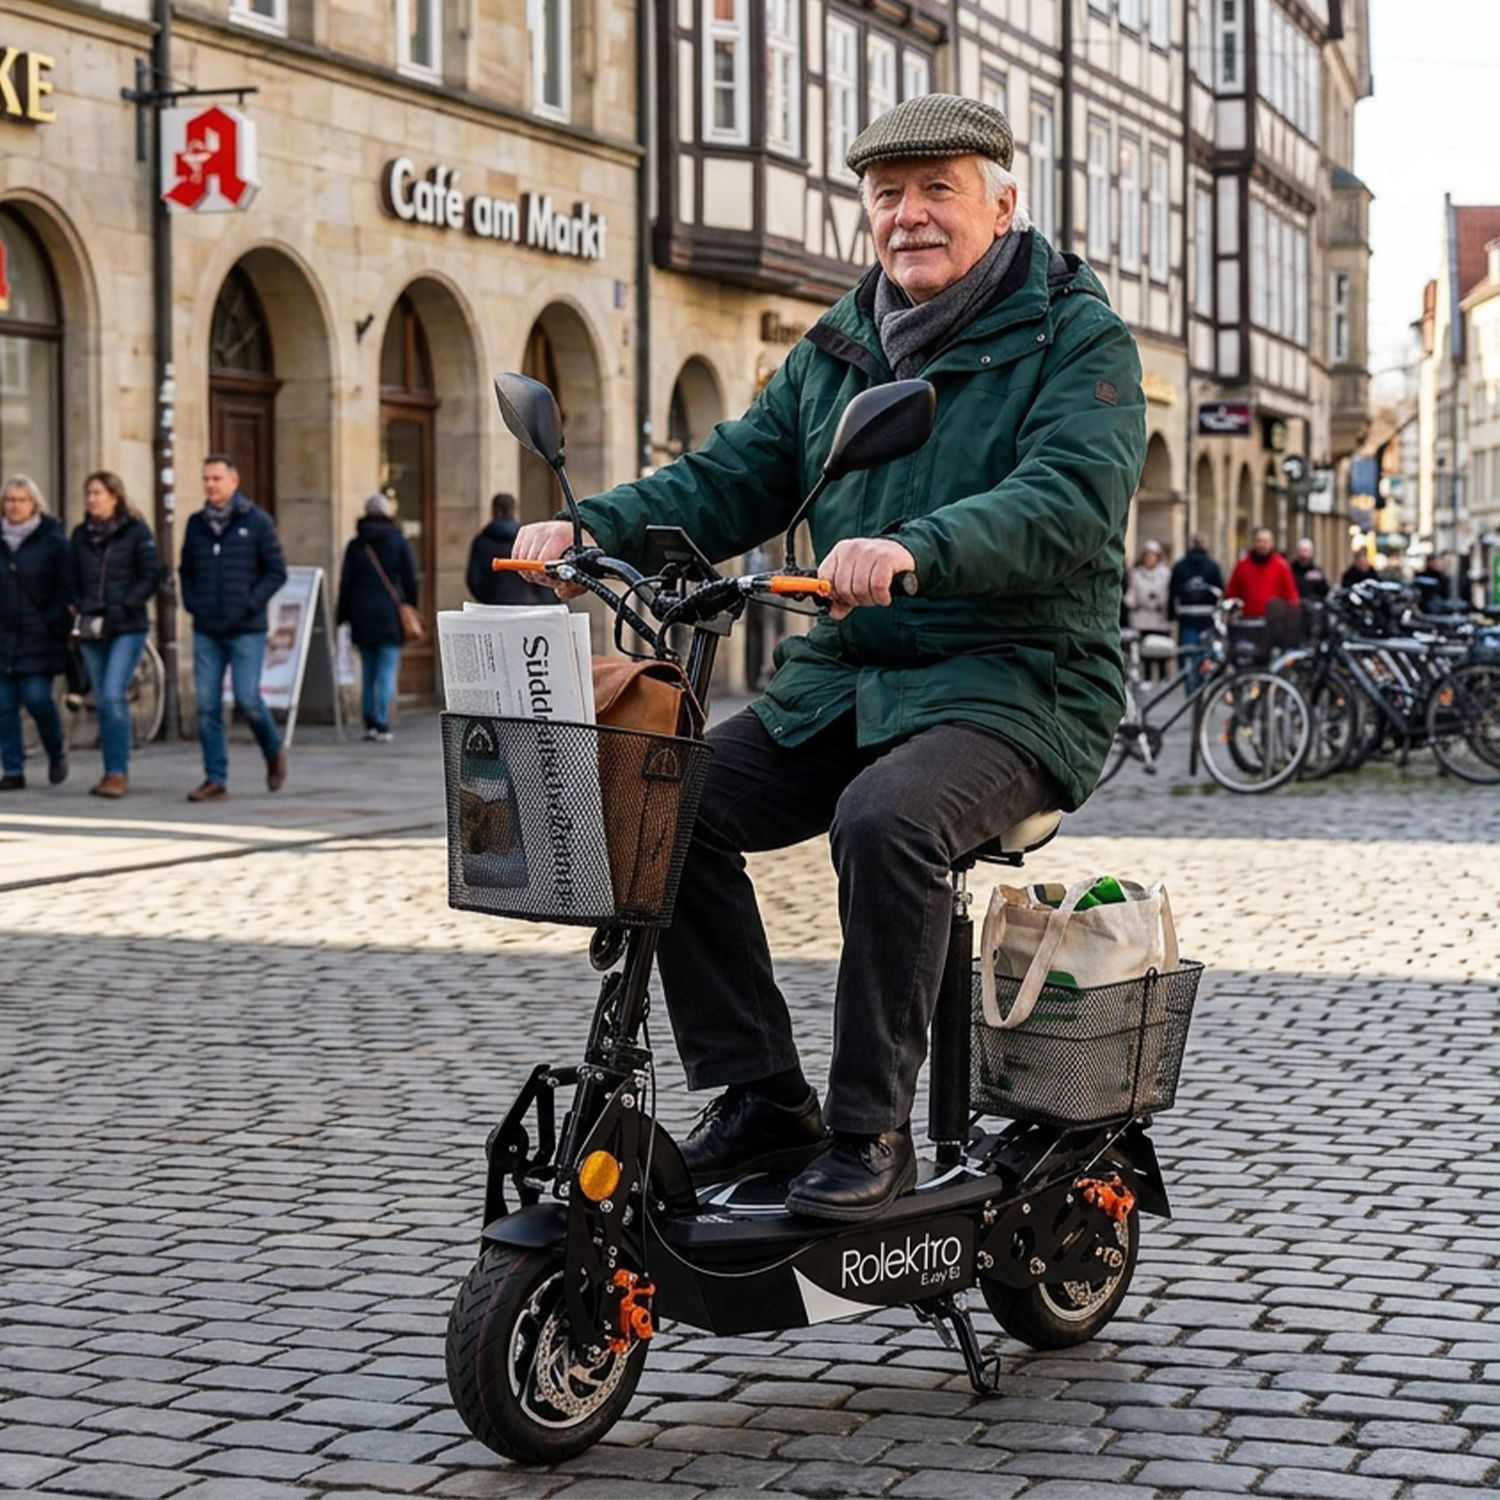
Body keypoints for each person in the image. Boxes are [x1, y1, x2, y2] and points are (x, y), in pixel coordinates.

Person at [513, 95, 1147, 1222]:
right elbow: (734, 475)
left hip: (1019, 680)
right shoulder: (839, 344)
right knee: (667, 799)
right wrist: (590, 529)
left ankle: (870, 1133)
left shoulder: (1075, 337)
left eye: (939, 188)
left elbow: (1069, 499)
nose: (910, 215)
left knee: (885, 818)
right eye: (888, 195)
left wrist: (917, 548)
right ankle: (763, 1095)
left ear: (1004, 203)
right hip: (852, 679)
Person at [179, 454, 288, 801]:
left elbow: (277, 571)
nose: (210, 485)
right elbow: (186, 570)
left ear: (234, 481)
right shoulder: (196, 524)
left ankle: (273, 750)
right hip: (207, 628)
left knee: (248, 700)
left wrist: (251, 603)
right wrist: (193, 603)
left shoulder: (256, 522)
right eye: (206, 479)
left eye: (217, 478)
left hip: (246, 628)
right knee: (207, 706)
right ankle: (215, 779)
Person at [68, 472, 162, 797]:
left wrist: (126, 604)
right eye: (89, 494)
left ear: (114, 497)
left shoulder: (135, 531)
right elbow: (70, 575)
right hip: (92, 627)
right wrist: (78, 604)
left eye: (98, 493)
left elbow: (152, 574)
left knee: (111, 695)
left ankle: (117, 772)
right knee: (104, 700)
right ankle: (111, 769)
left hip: (126, 625)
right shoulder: (80, 535)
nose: (92, 499)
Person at [0, 475, 72, 790]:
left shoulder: (52, 541)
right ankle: (13, 769)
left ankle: (56, 750)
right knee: (3, 705)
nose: (14, 506)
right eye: (9, 500)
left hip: (39, 634)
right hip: (3, 635)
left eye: (20, 500)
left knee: (37, 697)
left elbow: (66, 586)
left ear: (34, 504)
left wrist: (51, 621)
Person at [337, 493, 419, 741]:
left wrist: (342, 616)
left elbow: (346, 584)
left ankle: (369, 722)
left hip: (361, 614)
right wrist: (410, 605)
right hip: (390, 615)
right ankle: (382, 721)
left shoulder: (356, 545)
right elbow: (410, 579)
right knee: (386, 670)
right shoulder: (398, 541)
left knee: (368, 671)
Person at [466, 493, 551, 606]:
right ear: (514, 510)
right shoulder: (526, 539)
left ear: (494, 510)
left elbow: (474, 579)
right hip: (526, 603)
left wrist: (488, 598)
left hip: (494, 604)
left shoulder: (481, 542)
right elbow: (539, 573)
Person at [1168, 531, 1223, 693]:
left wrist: (1171, 614)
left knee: (1188, 653)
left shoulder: (1180, 565)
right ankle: (1202, 685)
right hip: (1207, 616)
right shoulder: (1213, 566)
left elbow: (1172, 592)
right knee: (1205, 653)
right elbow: (1219, 591)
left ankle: (1190, 686)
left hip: (1187, 616)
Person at [1225, 527, 1300, 619]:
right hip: (1247, 620)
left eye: (1266, 542)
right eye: (1259, 541)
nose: (1262, 545)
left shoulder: (1281, 566)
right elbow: (1232, 593)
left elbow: (1290, 595)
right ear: (1253, 543)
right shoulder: (1242, 566)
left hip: (1273, 621)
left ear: (1272, 544)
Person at [1123, 540, 1172, 678]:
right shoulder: (1136, 574)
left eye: (1153, 555)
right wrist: (1132, 603)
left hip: (1159, 618)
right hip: (1141, 618)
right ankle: (1146, 679)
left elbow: (1168, 593)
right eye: (1147, 555)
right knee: (1144, 653)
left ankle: (1163, 679)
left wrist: (1160, 601)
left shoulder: (1166, 574)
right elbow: (1131, 593)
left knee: (1161, 652)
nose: (1150, 558)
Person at [1290, 538, 1330, 602]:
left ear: (1311, 552)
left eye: (1307, 551)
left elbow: (1325, 590)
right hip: (1296, 604)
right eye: (1302, 551)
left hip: (1314, 604)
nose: (1304, 554)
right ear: (1297, 552)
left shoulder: (1317, 570)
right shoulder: (1290, 569)